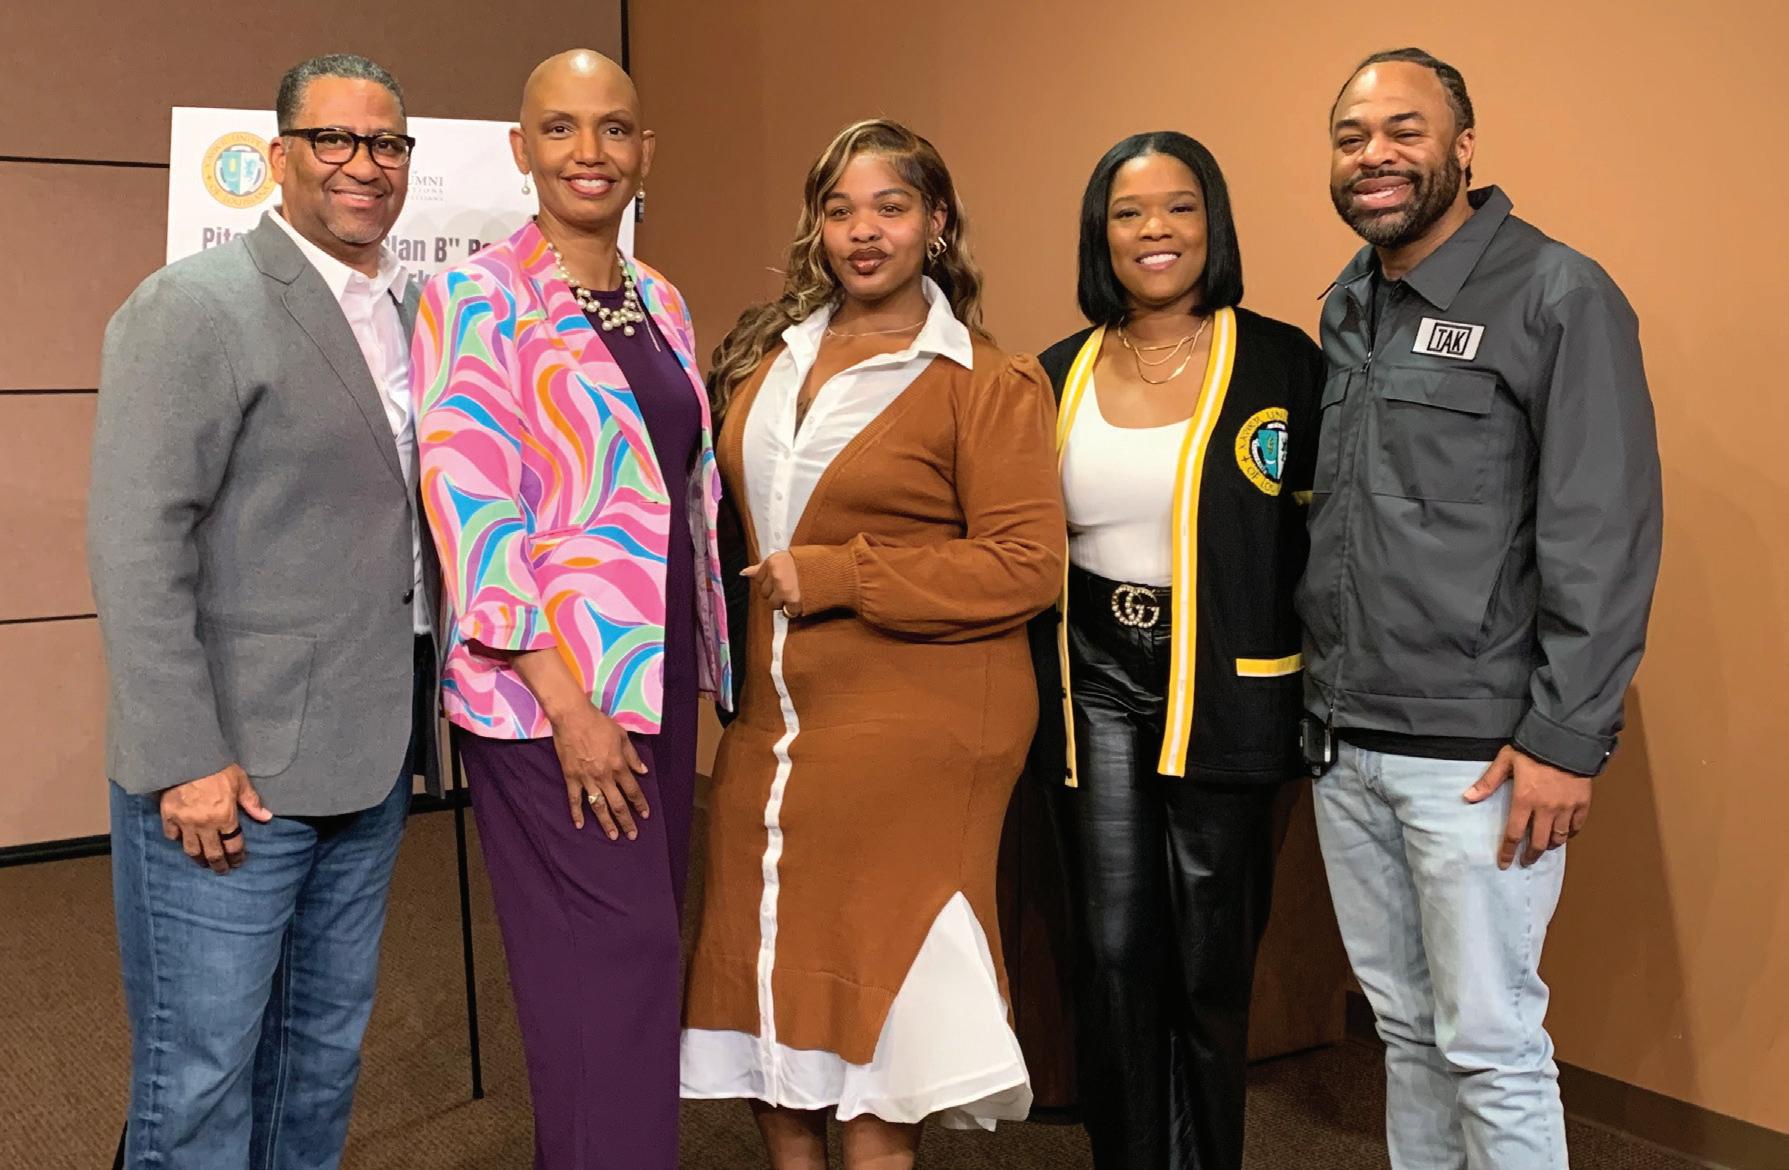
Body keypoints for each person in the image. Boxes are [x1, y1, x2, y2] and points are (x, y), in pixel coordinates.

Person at [679, 118, 1065, 1170]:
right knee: (761, 986)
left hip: (918, 731)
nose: (863, 231)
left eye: (890, 208)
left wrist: (846, 574)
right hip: (772, 729)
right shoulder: (770, 356)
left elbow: (1027, 565)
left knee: (883, 1016)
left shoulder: (984, 379)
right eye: (839, 209)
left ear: (936, 223)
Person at [1302, 47, 1663, 1169]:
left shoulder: (1557, 293)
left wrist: (1563, 739)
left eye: (1403, 131)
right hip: (1345, 746)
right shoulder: (1349, 303)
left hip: (1479, 761)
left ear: (1462, 147)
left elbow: (1602, 532)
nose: (1374, 155)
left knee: (1490, 1043)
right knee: (1406, 1034)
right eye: (1352, 137)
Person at [88, 53, 438, 1170]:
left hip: (367, 761)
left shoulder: (418, 315)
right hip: (227, 776)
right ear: (280, 156)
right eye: (333, 139)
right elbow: (136, 545)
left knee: (317, 1062)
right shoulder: (195, 305)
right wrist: (184, 757)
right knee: (198, 1076)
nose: (362, 164)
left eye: (385, 143)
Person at [411, 49, 729, 1170]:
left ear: (646, 150)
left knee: (631, 964)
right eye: (560, 129)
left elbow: (676, 492)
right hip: (546, 691)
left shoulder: (661, 299)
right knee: (610, 964)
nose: (589, 152)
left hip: (655, 671)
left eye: (614, 128)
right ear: (520, 148)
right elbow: (471, 508)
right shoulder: (475, 295)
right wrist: (567, 704)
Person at [1022, 131, 1324, 1170]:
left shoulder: (1282, 363)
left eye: (1179, 207)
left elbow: (1325, 541)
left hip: (1224, 688)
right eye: (1128, 211)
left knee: (1208, 960)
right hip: (1093, 681)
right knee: (1112, 952)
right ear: (1099, 235)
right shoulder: (1053, 374)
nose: (1155, 230)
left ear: (1213, 223)